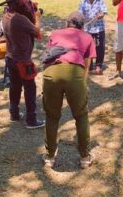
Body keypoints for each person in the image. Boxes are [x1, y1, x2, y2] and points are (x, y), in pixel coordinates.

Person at [41, 11, 96, 169]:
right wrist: (83, 84)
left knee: (52, 116)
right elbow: (87, 64)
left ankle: (50, 157)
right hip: (75, 73)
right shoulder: (87, 37)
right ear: (82, 25)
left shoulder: (56, 33)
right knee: (81, 116)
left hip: (52, 72)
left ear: (67, 23)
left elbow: (48, 56)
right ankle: (85, 157)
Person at [2, 0, 45, 129]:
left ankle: (14, 113)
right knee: (30, 88)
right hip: (23, 60)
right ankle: (31, 119)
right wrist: (38, 16)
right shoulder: (20, 19)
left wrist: (32, 7)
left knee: (15, 87)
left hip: (10, 57)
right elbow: (37, 31)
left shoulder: (6, 15)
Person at [78, 0, 108, 75]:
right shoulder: (82, 2)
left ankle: (98, 65)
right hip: (87, 29)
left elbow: (104, 11)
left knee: (100, 47)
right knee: (87, 48)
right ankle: (89, 65)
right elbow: (80, 14)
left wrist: (101, 14)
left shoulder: (100, 1)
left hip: (99, 28)